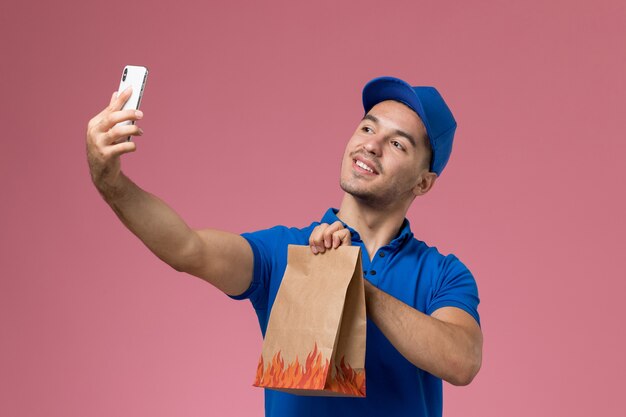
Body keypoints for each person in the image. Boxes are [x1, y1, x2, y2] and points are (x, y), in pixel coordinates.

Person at [86, 76, 482, 417]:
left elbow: (461, 361)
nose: (372, 146)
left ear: (423, 183)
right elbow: (187, 249)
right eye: (367, 128)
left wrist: (355, 284)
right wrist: (111, 182)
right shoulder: (286, 251)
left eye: (398, 144)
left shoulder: (442, 273)